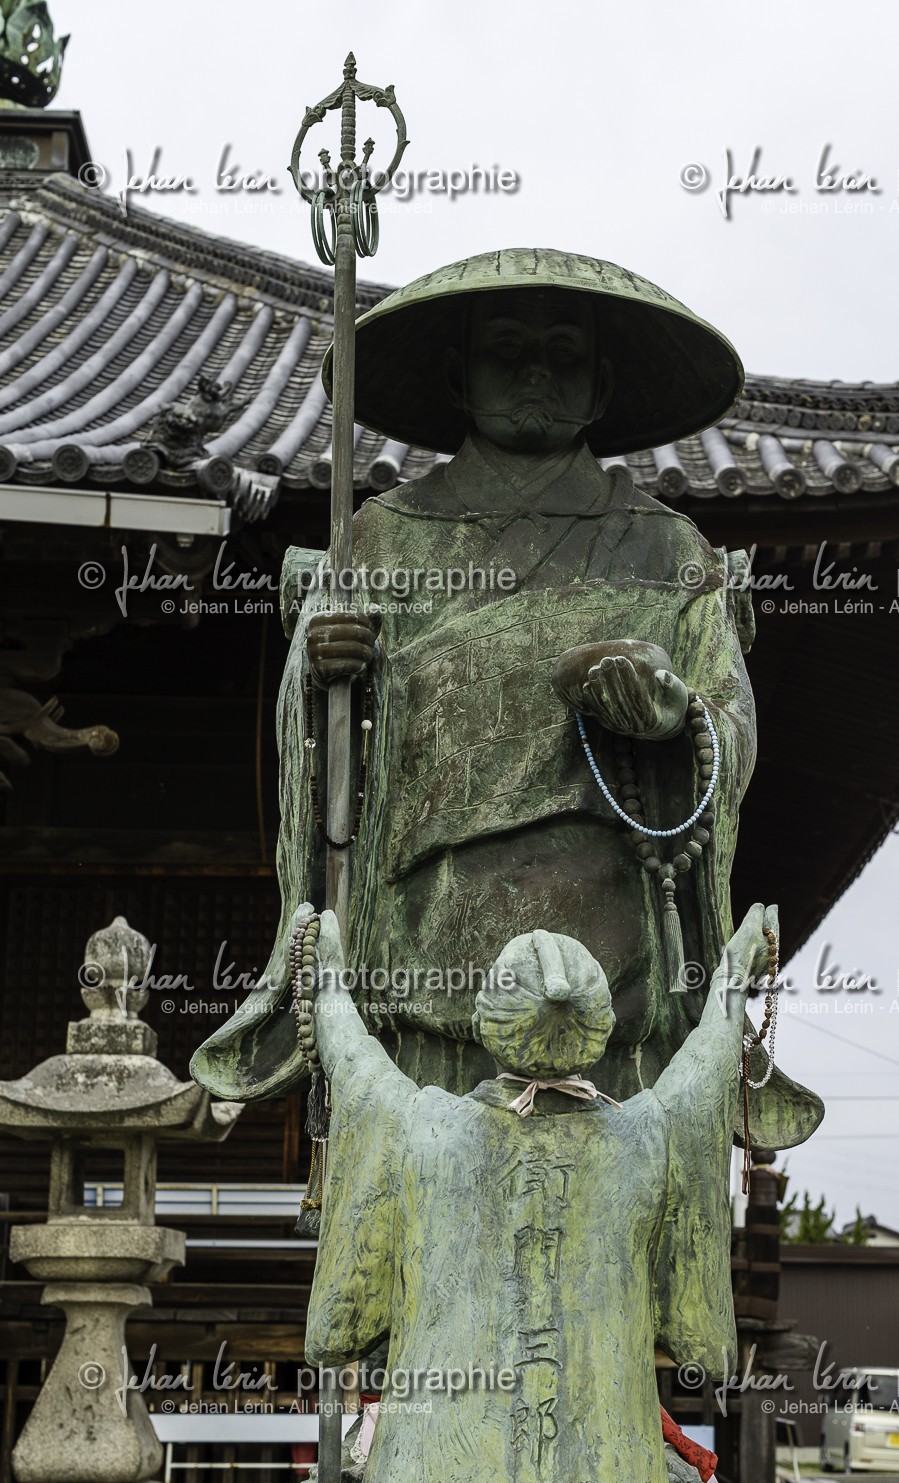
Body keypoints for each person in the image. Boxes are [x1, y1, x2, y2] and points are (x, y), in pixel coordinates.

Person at [192, 248, 820, 1151]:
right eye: (508, 350)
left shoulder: (666, 546)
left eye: (565, 354)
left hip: (611, 935)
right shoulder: (380, 537)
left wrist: (671, 716)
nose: (537, 371)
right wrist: (324, 668)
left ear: (600, 386)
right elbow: (332, 743)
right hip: (426, 928)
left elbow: (727, 723)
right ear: (459, 375)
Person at [303, 899, 780, 1483]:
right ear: (599, 1028)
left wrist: (327, 982)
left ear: (486, 1024)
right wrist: (734, 978)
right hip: (600, 1476)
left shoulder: (418, 1128)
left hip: (438, 1470)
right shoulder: (648, 1139)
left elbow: (355, 1062)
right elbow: (704, 1069)